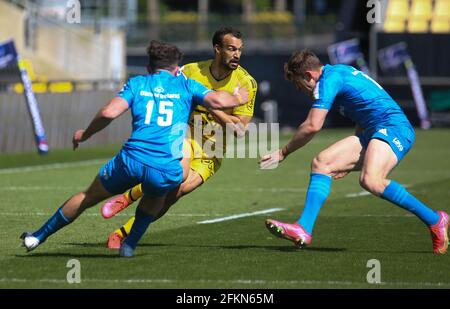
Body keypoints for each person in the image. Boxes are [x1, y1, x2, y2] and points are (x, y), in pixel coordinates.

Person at [21, 40, 249, 257]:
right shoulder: (187, 84)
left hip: (131, 161)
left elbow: (108, 113)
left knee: (87, 197)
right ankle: (128, 245)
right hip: (166, 167)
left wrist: (85, 134)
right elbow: (219, 101)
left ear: (149, 67)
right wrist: (237, 97)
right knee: (157, 198)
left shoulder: (138, 83)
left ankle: (37, 237)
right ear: (177, 67)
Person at [260, 49, 448, 255]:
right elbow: (362, 112)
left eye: (298, 83)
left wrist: (283, 152)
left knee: (371, 180)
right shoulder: (337, 72)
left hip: (393, 128)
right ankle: (303, 229)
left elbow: (313, 125)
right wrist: (350, 162)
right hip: (373, 130)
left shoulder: (329, 80)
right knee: (322, 163)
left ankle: (436, 220)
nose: (299, 89)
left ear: (309, 75)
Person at [102, 27, 258, 249]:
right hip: (184, 134)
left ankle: (123, 231)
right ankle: (128, 197)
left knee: (177, 192)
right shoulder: (191, 71)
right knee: (176, 177)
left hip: (213, 147)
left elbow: (240, 130)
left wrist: (213, 107)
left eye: (240, 50)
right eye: (231, 49)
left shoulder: (246, 83)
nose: (237, 55)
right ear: (217, 49)